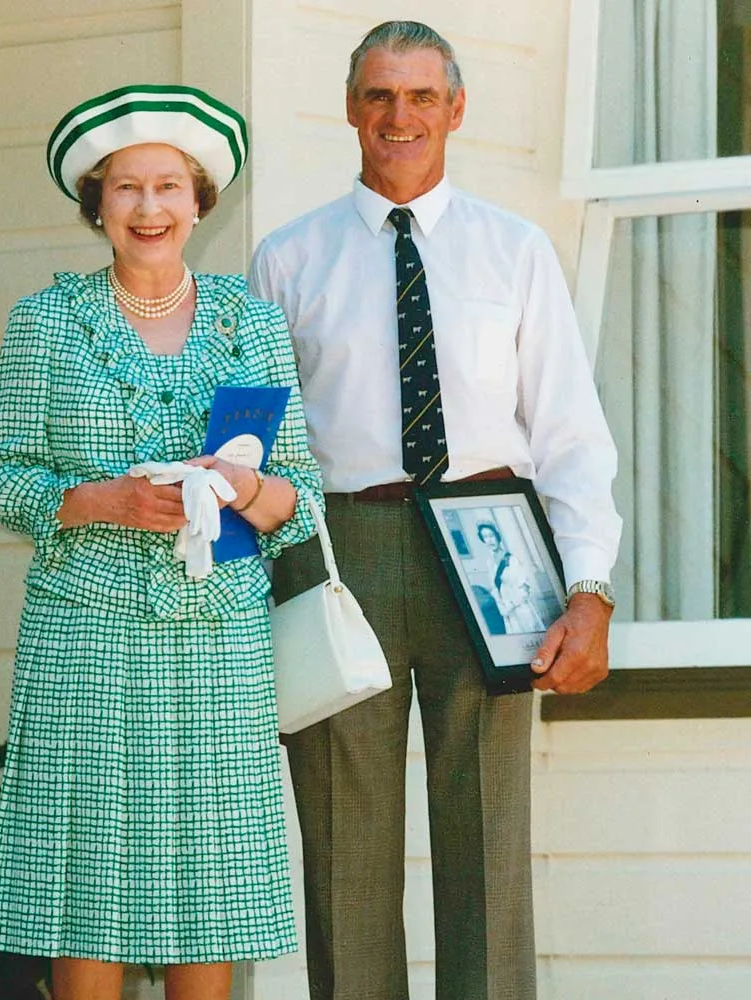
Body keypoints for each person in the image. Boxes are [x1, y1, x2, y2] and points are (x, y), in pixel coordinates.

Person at [249, 21, 622, 1000]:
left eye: (421, 96)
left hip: (492, 543)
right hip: (340, 548)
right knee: (344, 841)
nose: (399, 116)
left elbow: (570, 433)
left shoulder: (516, 251)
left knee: (488, 835)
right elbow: (254, 443)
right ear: (350, 108)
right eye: (379, 94)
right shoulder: (288, 259)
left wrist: (589, 587)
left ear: (456, 109)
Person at [0, 84, 323, 1000]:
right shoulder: (47, 323)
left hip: (218, 639)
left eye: (169, 186)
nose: (149, 207)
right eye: (126, 187)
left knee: (210, 883)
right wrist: (102, 500)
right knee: (88, 877)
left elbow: (302, 498)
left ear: (200, 202)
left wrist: (246, 489)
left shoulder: (252, 322)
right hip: (86, 636)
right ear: (96, 204)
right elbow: (0, 477)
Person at [477, 522, 547, 634]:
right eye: (485, 537)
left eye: (491, 535)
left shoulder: (512, 559)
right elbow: (494, 587)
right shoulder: (490, 563)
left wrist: (511, 605)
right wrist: (501, 606)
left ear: (497, 536)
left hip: (521, 608)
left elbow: (524, 588)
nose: (489, 540)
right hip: (507, 612)